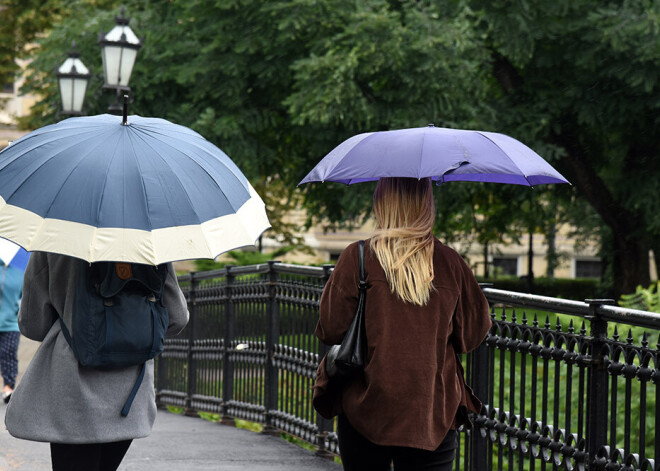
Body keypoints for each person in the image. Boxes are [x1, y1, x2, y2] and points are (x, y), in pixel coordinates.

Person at [313, 177, 492, 471]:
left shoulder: (357, 257)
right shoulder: (450, 263)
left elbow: (330, 328)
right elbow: (471, 335)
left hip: (366, 407)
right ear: (427, 206)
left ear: (382, 204)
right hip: (431, 411)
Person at [5, 253, 189, 471]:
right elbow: (178, 317)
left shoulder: (55, 240)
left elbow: (33, 324)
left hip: (73, 390)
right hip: (130, 395)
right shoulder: (150, 243)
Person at [0, 258, 25, 404]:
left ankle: (8, 387)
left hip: (11, 323)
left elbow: (24, 297)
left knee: (8, 354)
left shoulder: (20, 272)